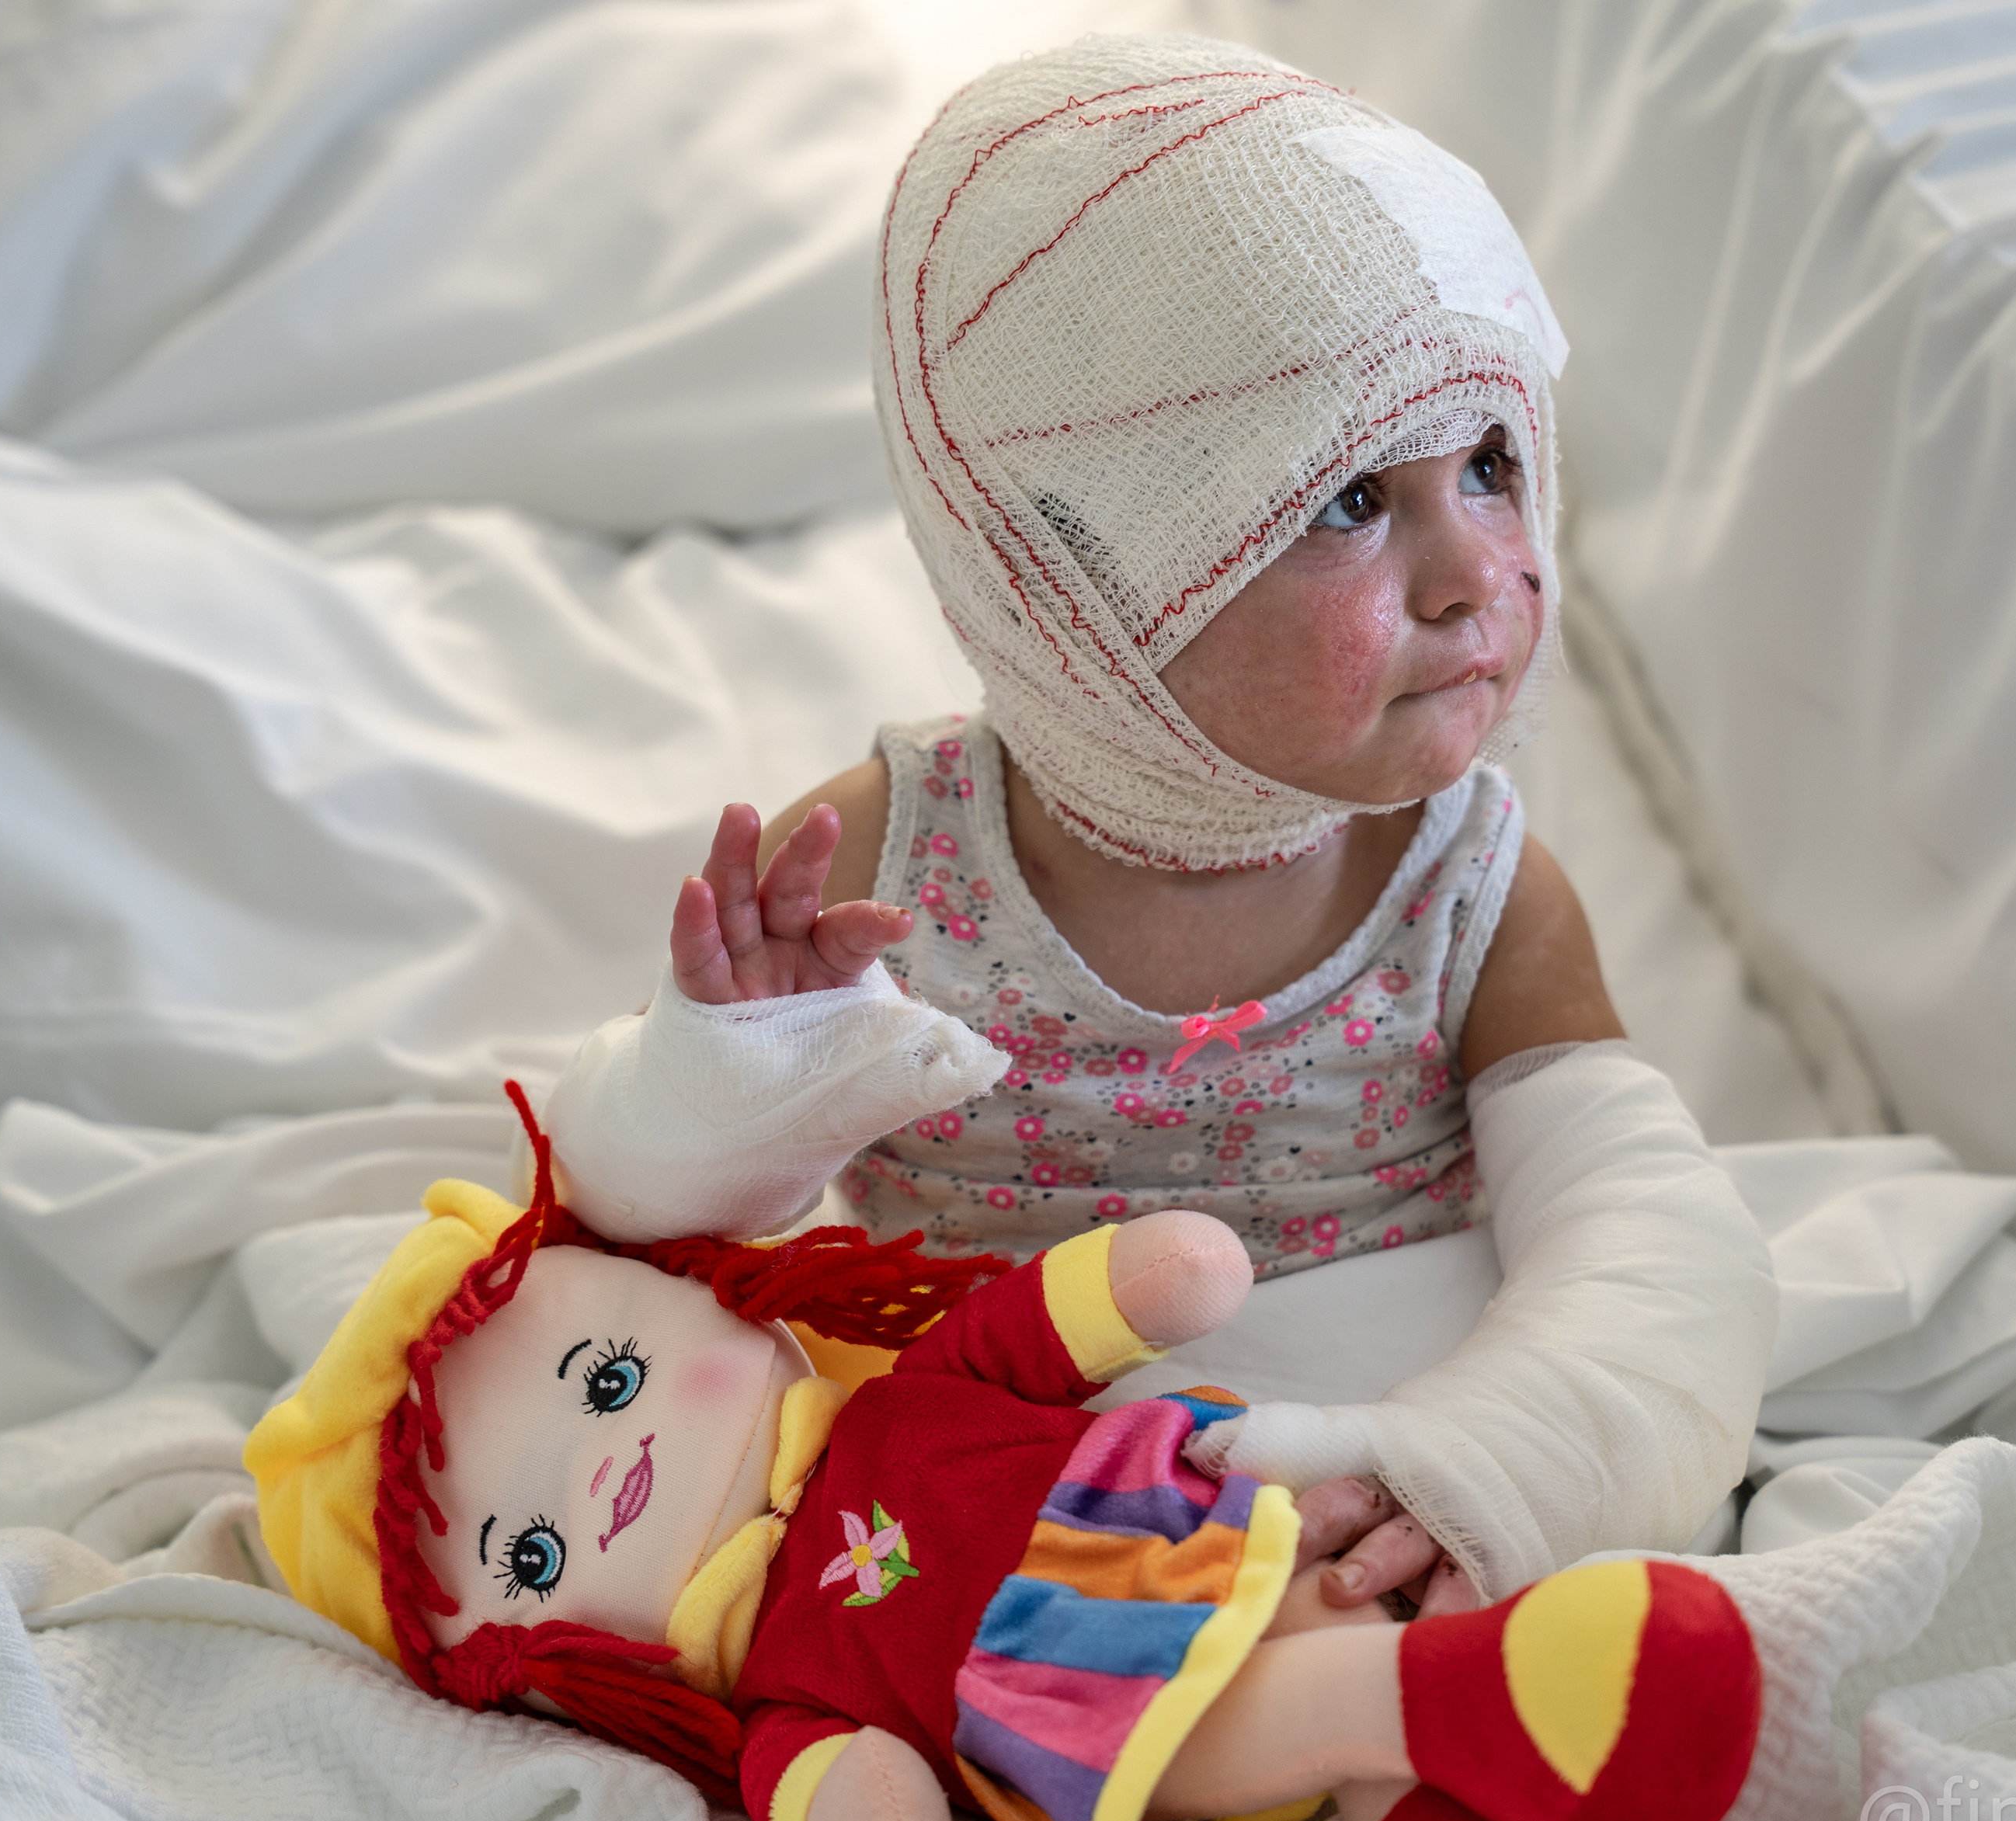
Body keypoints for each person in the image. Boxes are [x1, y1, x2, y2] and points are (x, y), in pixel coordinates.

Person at [539, 34, 1780, 1629]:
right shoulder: (880, 874)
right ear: (1081, 585)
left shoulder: (1468, 883)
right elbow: (638, 1206)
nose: (1477, 571)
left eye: (1489, 464)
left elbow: (1655, 1246)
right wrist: (736, 1073)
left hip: (1402, 1489)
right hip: (1016, 1514)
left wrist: (1485, 1469)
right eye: (1346, 503)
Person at [244, 1089, 1761, 1821]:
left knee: (1328, 1598)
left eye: (611, 1378)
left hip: (1192, 1502)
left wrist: (1143, 1279)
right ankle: (1450, 1704)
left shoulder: (903, 1399)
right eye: (528, 1553)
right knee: (1219, 1700)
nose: (610, 1472)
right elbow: (848, 1795)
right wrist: (854, 1809)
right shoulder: (780, 1677)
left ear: (704, 1286)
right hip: (1060, 1672)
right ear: (553, 1661)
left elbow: (1021, 1331)